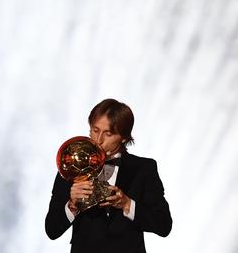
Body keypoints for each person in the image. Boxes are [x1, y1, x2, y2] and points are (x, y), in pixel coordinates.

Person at [45, 98, 172, 252]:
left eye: (108, 134)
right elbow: (51, 230)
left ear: (124, 137)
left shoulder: (144, 169)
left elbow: (164, 225)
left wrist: (127, 204)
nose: (99, 140)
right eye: (95, 130)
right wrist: (72, 205)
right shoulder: (70, 168)